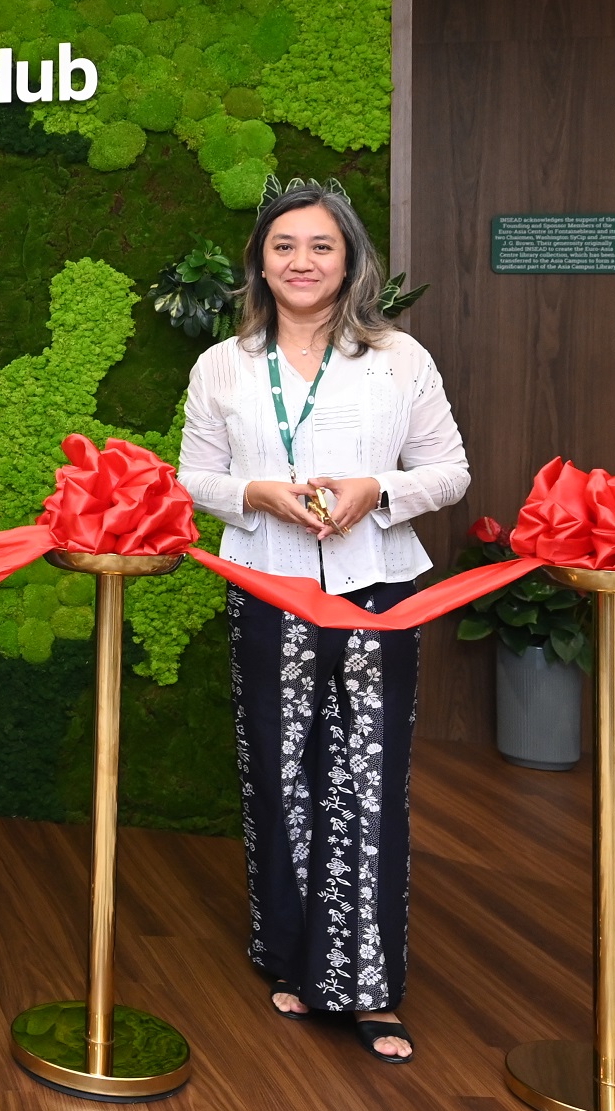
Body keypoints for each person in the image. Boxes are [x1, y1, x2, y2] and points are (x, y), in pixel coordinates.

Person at [177, 178, 469, 1065]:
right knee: (279, 773)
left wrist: (376, 490)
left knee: (368, 779)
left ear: (351, 261)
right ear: (260, 263)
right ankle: (295, 956)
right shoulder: (223, 364)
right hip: (265, 585)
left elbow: (450, 471)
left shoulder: (398, 358)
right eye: (283, 247)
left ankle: (369, 984)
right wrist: (258, 494)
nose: (301, 262)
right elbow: (191, 479)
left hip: (377, 588)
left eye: (320, 247)